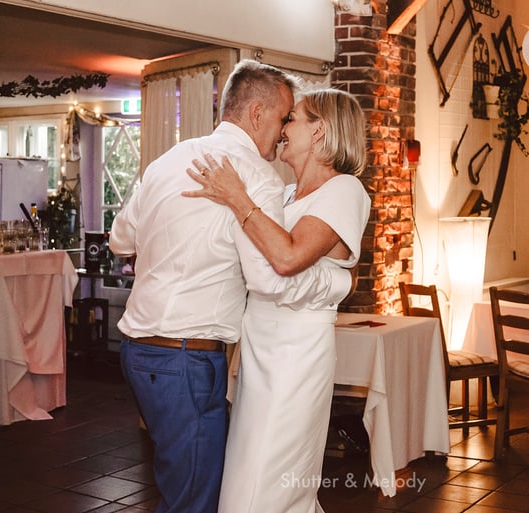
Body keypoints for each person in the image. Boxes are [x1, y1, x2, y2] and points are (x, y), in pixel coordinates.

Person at [109, 61, 354, 513]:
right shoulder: (256, 178)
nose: (282, 131)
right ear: (258, 114)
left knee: (177, 482)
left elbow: (120, 239)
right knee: (194, 500)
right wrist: (337, 279)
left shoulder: (168, 159)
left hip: (135, 351)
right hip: (186, 358)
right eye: (282, 118)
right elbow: (267, 275)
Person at [182, 88, 371, 513]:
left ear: (320, 130)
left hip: (295, 355)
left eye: (293, 119)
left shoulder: (345, 190)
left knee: (267, 485)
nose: (282, 128)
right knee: (248, 477)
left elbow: (285, 258)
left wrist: (237, 197)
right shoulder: (284, 197)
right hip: (257, 349)